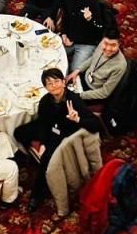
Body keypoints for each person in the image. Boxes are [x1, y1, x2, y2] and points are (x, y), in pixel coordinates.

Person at [12, 68, 99, 211]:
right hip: (50, 128)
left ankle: (37, 195)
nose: (54, 86)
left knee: (45, 161)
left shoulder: (74, 100)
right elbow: (43, 124)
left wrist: (77, 119)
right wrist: (43, 143)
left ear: (64, 82)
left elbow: (95, 124)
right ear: (45, 87)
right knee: (18, 132)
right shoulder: (45, 101)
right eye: (49, 83)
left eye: (57, 81)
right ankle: (34, 156)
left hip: (63, 134)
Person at [59, 0, 115, 73]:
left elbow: (99, 29)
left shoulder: (93, 3)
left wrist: (90, 19)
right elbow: (65, 18)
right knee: (51, 54)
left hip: (86, 44)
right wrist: (64, 34)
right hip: (69, 39)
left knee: (74, 70)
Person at [69, 34, 126, 104]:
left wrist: (80, 95)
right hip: (85, 77)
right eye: (106, 43)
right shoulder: (101, 45)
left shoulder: (120, 65)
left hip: (94, 92)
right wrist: (77, 70)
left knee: (68, 100)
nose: (108, 48)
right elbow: (93, 58)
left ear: (119, 44)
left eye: (113, 45)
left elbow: (105, 93)